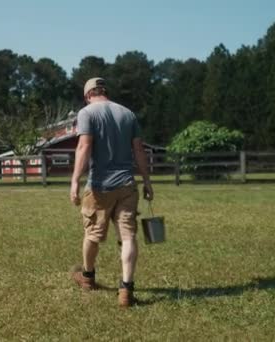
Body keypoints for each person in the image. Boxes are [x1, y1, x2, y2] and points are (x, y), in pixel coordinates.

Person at [70, 77, 153, 307]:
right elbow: (139, 150)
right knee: (128, 237)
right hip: (127, 185)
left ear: (88, 95)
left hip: (99, 187)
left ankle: (88, 278)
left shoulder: (87, 113)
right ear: (105, 91)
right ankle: (126, 290)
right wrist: (146, 181)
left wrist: (75, 180)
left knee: (92, 235)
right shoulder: (128, 114)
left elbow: (84, 147)